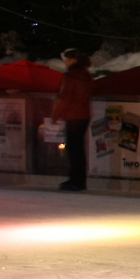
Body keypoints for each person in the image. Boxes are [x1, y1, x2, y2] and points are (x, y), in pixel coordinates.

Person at [52, 48, 93, 192]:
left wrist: (55, 115)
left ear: (72, 60)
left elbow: (65, 98)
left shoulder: (71, 76)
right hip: (84, 115)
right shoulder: (86, 75)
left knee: (74, 150)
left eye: (67, 60)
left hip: (73, 116)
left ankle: (76, 181)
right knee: (78, 150)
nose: (66, 62)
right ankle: (78, 180)